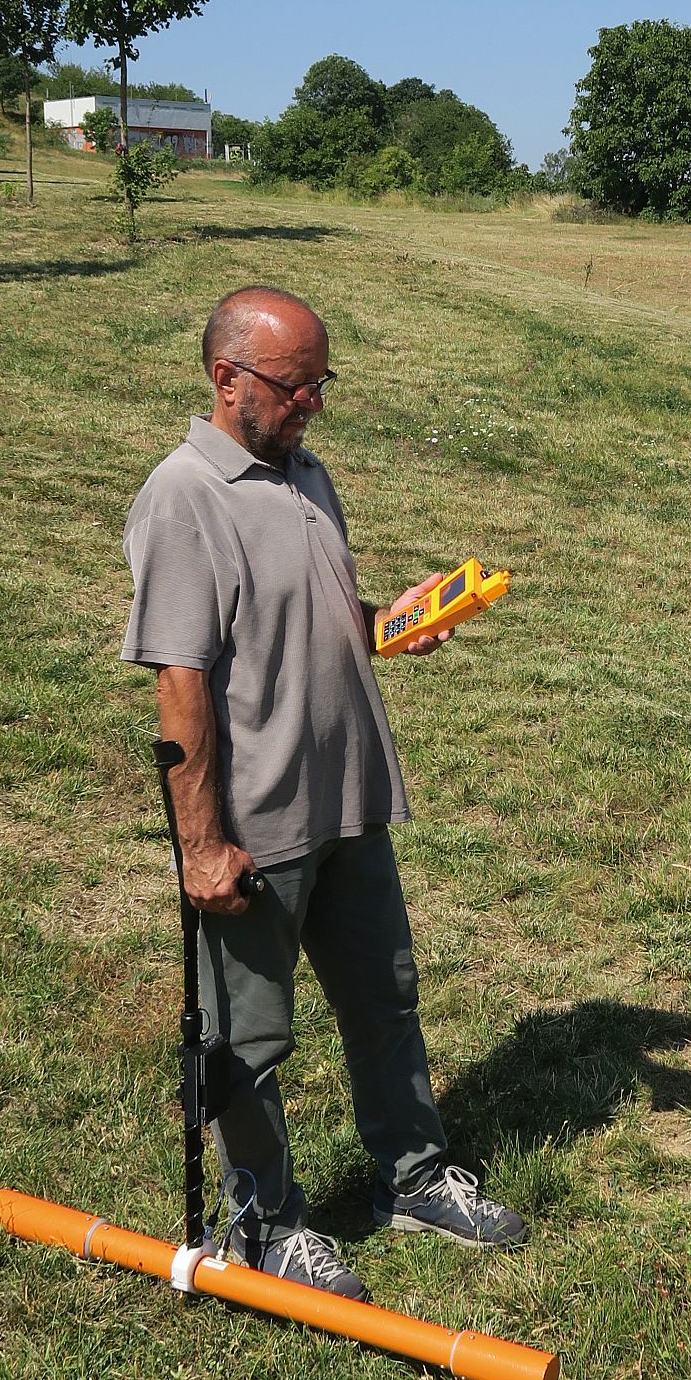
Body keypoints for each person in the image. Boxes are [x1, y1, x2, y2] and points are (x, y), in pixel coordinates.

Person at [121, 286, 525, 1299]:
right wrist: (202, 845)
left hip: (349, 798)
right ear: (227, 380)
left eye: (320, 386)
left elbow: (310, 610)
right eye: (294, 388)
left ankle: (413, 1176)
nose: (311, 407)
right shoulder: (185, 495)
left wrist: (390, 620)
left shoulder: (305, 474)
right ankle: (264, 1224)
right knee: (248, 1041)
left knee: (385, 1000)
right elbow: (182, 684)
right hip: (260, 824)